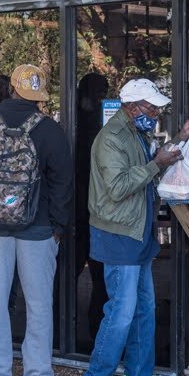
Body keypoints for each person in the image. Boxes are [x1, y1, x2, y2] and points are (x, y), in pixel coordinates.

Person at [79, 78, 189, 376]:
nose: (156, 112)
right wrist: (157, 163)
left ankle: (138, 375)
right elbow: (118, 188)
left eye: (158, 108)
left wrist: (180, 139)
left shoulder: (136, 132)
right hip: (118, 235)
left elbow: (150, 164)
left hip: (138, 231)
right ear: (132, 107)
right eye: (152, 107)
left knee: (144, 307)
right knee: (121, 310)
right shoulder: (111, 138)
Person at [0, 64, 73, 376]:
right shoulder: (49, 129)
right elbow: (63, 182)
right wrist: (58, 226)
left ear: (10, 88)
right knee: (38, 304)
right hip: (38, 230)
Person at [73, 72, 110, 342]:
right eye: (98, 94)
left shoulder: (75, 121)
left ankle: (79, 331)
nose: (100, 100)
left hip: (82, 208)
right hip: (87, 210)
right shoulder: (94, 126)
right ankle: (93, 330)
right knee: (100, 278)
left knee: (94, 277)